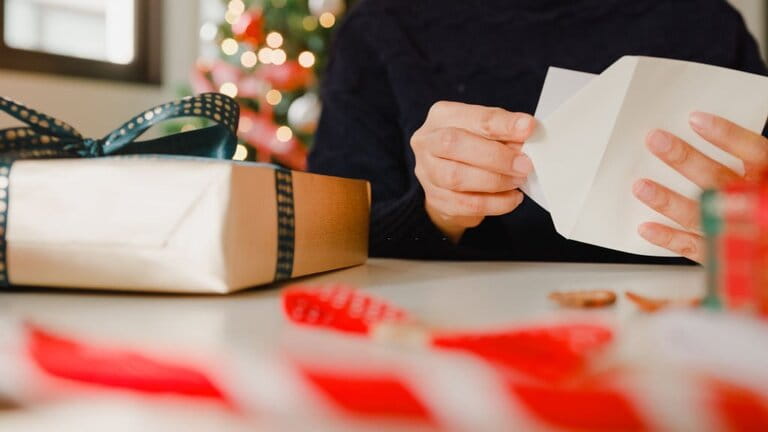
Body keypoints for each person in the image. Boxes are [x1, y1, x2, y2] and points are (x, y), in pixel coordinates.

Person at [309, 0, 768, 264]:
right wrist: (434, 214)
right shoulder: (380, 29)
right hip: (441, 353)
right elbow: (326, 244)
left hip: (673, 354)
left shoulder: (705, 24)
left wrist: (757, 224)